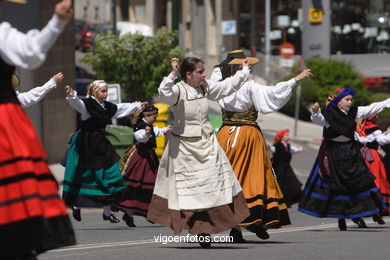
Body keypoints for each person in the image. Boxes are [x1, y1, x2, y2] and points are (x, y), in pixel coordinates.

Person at [147, 57, 251, 248]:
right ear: (188, 74)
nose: (204, 75)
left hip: (207, 143)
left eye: (204, 71)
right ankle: (199, 229)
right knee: (190, 192)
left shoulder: (205, 87)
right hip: (184, 149)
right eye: (200, 72)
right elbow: (163, 93)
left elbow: (226, 87)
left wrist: (244, 71)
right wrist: (172, 73)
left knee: (217, 183)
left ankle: (206, 229)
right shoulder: (178, 90)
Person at [210, 50, 312, 242]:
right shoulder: (248, 87)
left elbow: (215, 77)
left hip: (225, 135)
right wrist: (295, 80)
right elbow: (273, 94)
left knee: (230, 178)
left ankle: (240, 226)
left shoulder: (220, 86)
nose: (246, 68)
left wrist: (224, 68)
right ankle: (252, 221)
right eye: (243, 65)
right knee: (252, 177)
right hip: (247, 136)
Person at [0, 1, 75, 259]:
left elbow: (32, 52)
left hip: (3, 127)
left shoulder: (2, 35)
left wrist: (57, 21)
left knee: (12, 214)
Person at [298, 88, 390, 231]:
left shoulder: (354, 112)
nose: (350, 102)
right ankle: (341, 216)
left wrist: (386, 102)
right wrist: (315, 111)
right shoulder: (329, 114)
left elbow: (372, 108)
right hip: (334, 152)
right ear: (338, 101)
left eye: (351, 99)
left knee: (358, 181)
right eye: (347, 99)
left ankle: (357, 213)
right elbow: (319, 120)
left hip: (351, 151)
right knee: (337, 185)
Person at [62, 80, 145, 224]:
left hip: (101, 143)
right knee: (84, 176)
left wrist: (137, 105)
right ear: (94, 92)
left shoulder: (107, 107)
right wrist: (71, 96)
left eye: (106, 91)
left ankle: (107, 212)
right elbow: (78, 105)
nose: (106, 94)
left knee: (111, 174)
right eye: (103, 91)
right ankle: (76, 205)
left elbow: (121, 108)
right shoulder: (88, 104)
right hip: (86, 144)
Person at [115, 105, 172, 227]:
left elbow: (155, 131)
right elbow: (139, 137)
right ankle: (130, 213)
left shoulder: (149, 126)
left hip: (149, 157)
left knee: (151, 185)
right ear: (147, 115)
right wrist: (146, 134)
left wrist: (165, 129)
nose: (155, 118)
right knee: (136, 184)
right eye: (153, 116)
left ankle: (146, 212)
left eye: (156, 116)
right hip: (140, 157)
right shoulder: (141, 126)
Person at [355, 116, 390, 219]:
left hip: (359, 155)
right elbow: (383, 141)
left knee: (360, 182)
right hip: (372, 157)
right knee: (376, 182)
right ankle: (375, 209)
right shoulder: (374, 129)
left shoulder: (358, 127)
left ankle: (361, 209)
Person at [270, 129, 303, 208]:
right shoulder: (277, 145)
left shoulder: (288, 146)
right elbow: (273, 150)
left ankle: (291, 199)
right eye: (287, 135)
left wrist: (299, 150)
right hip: (278, 168)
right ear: (282, 137)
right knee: (279, 184)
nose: (289, 136)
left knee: (294, 183)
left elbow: (294, 150)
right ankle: (278, 201)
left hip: (287, 168)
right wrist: (269, 146)